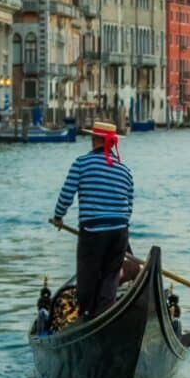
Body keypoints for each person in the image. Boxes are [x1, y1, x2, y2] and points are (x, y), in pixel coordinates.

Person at [50, 121, 134, 318]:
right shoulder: (125, 170)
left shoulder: (81, 164)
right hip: (119, 231)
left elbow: (66, 194)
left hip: (93, 231)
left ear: (94, 139)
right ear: (112, 144)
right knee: (110, 277)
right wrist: (118, 223)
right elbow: (129, 205)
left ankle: (88, 314)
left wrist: (58, 217)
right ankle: (105, 312)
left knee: (87, 276)